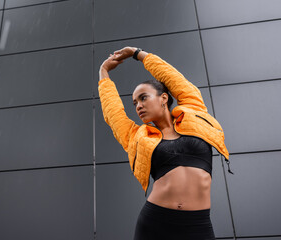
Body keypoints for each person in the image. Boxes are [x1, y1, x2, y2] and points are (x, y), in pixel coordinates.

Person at [98, 46, 234, 240]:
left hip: (199, 224)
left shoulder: (194, 112)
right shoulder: (138, 136)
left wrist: (137, 54)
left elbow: (173, 78)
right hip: (156, 222)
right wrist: (103, 73)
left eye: (143, 98)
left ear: (163, 98)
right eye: (135, 103)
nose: (138, 106)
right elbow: (113, 114)